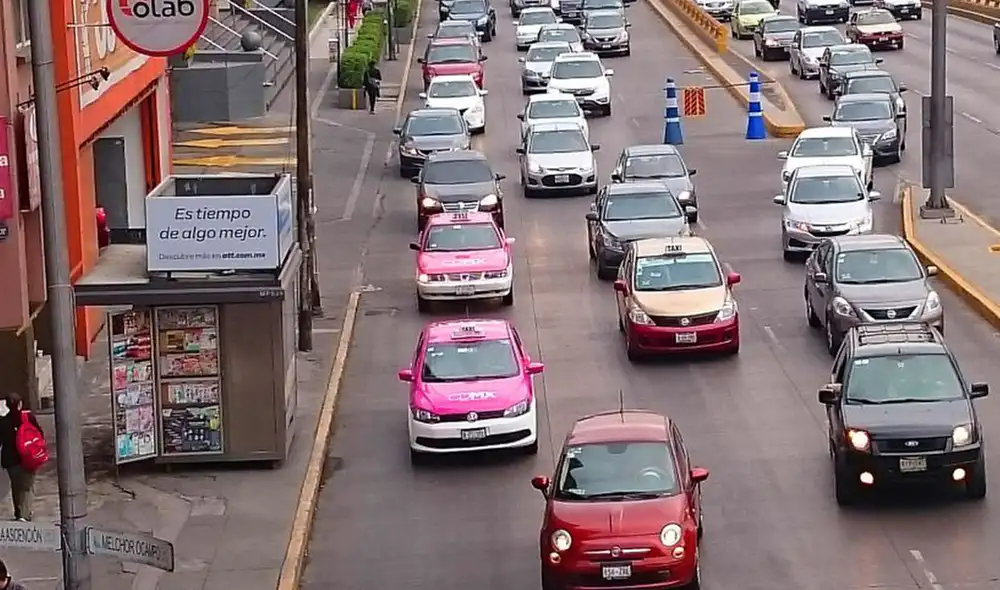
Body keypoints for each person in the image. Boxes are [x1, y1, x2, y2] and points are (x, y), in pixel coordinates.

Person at [0, 394, 41, 521]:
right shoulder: (28, 418)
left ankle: (19, 511)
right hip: (27, 457)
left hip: (10, 461)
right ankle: (24, 514)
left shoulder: (3, 422)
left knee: (16, 485)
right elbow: (40, 434)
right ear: (20, 404)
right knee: (27, 487)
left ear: (7, 405)